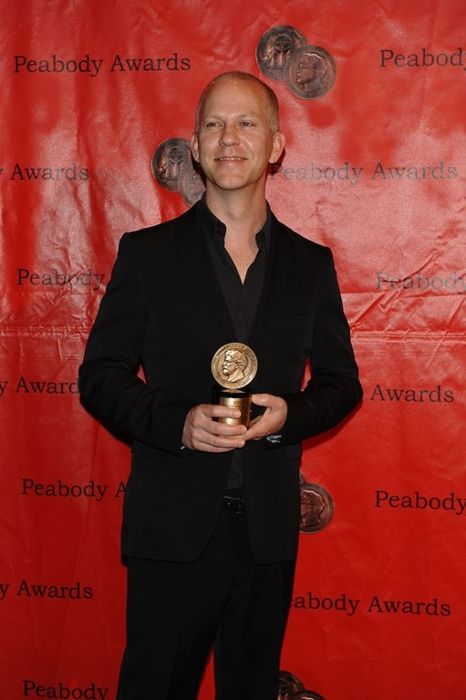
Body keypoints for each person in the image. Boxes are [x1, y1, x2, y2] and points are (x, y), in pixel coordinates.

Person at [79, 71, 362, 700]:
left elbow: (343, 384)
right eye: (213, 123)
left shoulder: (310, 266)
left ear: (278, 146)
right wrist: (175, 420)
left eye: (246, 123)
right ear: (196, 144)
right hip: (172, 530)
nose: (228, 138)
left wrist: (289, 413)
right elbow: (99, 377)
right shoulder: (147, 255)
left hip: (266, 532)